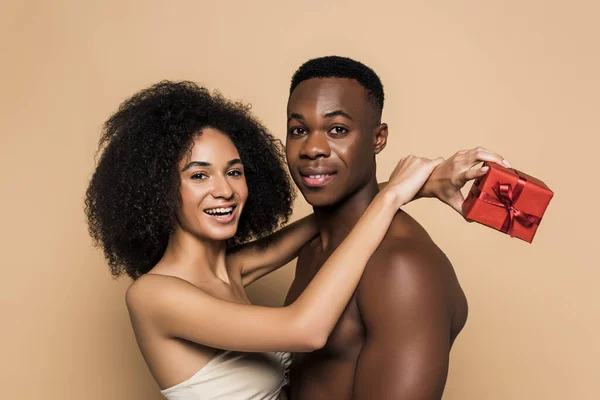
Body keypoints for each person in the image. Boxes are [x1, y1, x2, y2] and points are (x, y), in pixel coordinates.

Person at [85, 81, 467, 399]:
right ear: (158, 190)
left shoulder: (232, 269)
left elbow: (329, 219)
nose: (224, 190)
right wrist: (392, 196)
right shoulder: (154, 296)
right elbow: (306, 329)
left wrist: (421, 187)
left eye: (234, 172)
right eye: (199, 176)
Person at [283, 56, 510, 399]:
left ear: (379, 138)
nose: (312, 148)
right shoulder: (315, 244)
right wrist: (406, 190)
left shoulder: (401, 268)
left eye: (338, 130)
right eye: (298, 130)